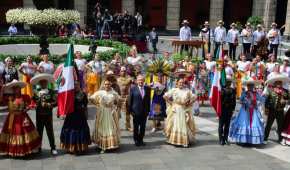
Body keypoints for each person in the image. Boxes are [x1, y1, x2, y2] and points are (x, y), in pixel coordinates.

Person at [0, 80, 41, 156]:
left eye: (17, 88)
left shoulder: (25, 97)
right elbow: (0, 100)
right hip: (12, 119)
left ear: (20, 89)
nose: (16, 90)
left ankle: (26, 150)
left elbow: (31, 104)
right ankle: (12, 150)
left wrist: (27, 108)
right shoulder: (9, 98)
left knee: (25, 133)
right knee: (12, 134)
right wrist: (2, 89)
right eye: (14, 88)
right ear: (12, 89)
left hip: (23, 118)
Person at [229, 77, 265, 145]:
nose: (250, 87)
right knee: (244, 124)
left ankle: (252, 140)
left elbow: (261, 99)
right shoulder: (244, 93)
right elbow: (240, 100)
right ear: (247, 86)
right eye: (249, 85)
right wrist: (244, 102)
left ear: (253, 86)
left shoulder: (256, 93)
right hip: (245, 111)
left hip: (253, 111)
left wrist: (262, 98)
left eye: (251, 85)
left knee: (253, 124)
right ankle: (244, 140)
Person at [89, 79, 121, 153]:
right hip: (102, 112)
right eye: (106, 84)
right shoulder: (100, 92)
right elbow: (91, 98)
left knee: (111, 128)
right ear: (103, 85)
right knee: (102, 128)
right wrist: (97, 104)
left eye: (108, 84)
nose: (107, 85)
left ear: (110, 85)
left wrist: (116, 108)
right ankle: (103, 146)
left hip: (111, 113)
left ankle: (112, 144)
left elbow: (119, 100)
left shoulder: (114, 93)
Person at [163, 77, 196, 147]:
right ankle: (174, 140)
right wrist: (171, 103)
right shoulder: (174, 90)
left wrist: (189, 103)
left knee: (184, 124)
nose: (181, 84)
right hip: (176, 109)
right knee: (175, 124)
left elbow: (194, 97)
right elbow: (165, 96)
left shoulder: (187, 90)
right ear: (177, 83)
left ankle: (184, 141)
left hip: (183, 109)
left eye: (182, 82)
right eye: (180, 82)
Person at [60, 81, 91, 154]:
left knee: (81, 131)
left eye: (77, 85)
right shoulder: (69, 94)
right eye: (74, 85)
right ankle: (70, 147)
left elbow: (85, 104)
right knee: (70, 131)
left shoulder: (83, 94)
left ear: (79, 85)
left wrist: (86, 113)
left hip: (80, 116)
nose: (76, 86)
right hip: (71, 116)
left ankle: (82, 148)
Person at [31, 74, 57, 155]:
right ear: (39, 84)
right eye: (41, 83)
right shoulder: (36, 92)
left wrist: (50, 104)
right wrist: (36, 100)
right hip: (39, 114)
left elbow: (56, 102)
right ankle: (39, 147)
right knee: (39, 131)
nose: (43, 84)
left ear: (47, 83)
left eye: (44, 82)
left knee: (50, 131)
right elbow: (33, 102)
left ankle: (53, 147)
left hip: (48, 114)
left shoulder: (51, 91)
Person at [264, 74, 289, 144]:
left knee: (280, 125)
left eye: (280, 83)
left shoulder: (285, 91)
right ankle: (265, 138)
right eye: (277, 83)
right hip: (272, 111)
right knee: (268, 125)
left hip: (280, 111)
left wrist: (285, 101)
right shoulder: (271, 91)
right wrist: (266, 110)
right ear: (275, 84)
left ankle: (280, 139)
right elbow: (267, 101)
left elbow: (288, 100)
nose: (279, 84)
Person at [128, 75, 151, 146]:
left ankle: (141, 140)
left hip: (144, 112)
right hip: (136, 111)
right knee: (136, 127)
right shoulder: (133, 88)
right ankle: (136, 140)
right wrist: (130, 111)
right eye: (139, 80)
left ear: (144, 81)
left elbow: (148, 100)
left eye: (142, 80)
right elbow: (130, 100)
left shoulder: (147, 88)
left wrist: (148, 110)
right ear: (137, 81)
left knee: (143, 127)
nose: (140, 81)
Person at [219, 76, 236, 145]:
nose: (229, 83)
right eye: (227, 82)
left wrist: (233, 109)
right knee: (221, 125)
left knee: (227, 125)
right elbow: (220, 101)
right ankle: (221, 139)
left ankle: (225, 138)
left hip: (229, 109)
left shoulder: (232, 90)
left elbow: (234, 100)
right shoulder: (222, 90)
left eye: (229, 82)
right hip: (223, 109)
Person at [117, 66, 133, 131]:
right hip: (118, 97)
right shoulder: (117, 79)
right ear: (120, 72)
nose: (123, 72)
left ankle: (128, 126)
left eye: (124, 71)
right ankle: (116, 126)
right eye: (122, 71)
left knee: (127, 112)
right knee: (117, 113)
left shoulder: (129, 79)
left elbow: (134, 83)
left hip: (126, 97)